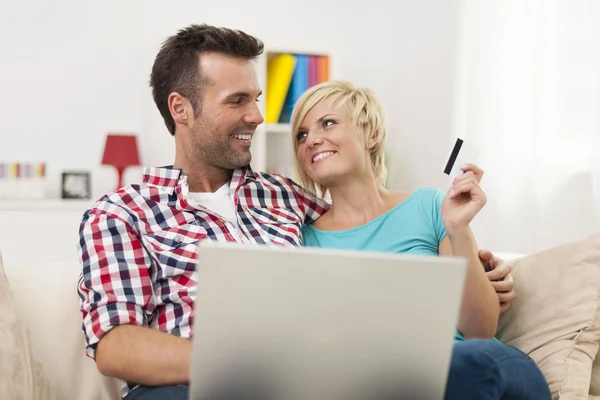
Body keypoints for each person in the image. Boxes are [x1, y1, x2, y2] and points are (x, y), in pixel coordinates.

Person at [76, 24, 515, 400]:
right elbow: (115, 344)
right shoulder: (122, 213)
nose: (258, 115)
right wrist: (240, 362)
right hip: (190, 387)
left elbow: (366, 228)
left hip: (301, 385)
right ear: (181, 108)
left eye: (257, 98)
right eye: (237, 101)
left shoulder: (285, 197)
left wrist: (472, 264)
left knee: (483, 363)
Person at [290, 79, 550, 400]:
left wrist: (458, 229)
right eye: (301, 135)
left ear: (371, 134)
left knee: (465, 364)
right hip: (394, 381)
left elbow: (480, 331)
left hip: (479, 364)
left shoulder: (428, 205)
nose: (312, 140)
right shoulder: (303, 240)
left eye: (327, 123)